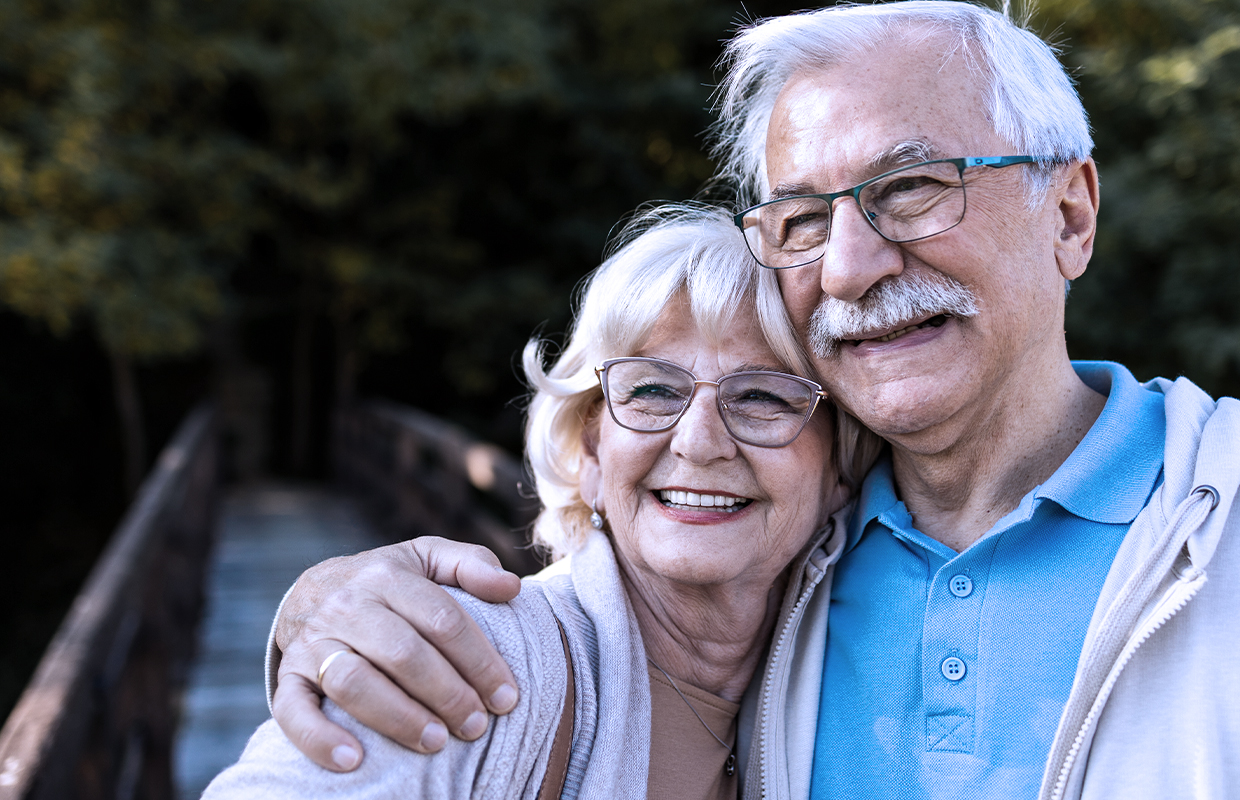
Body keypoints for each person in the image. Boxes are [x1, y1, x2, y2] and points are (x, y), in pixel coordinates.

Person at [268, 3, 1240, 799]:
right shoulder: (772, 558)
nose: (851, 265)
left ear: (1067, 214)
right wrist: (324, 609)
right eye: (803, 218)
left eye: (909, 186)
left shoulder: (1216, 522)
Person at [204, 206, 878, 799]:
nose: (700, 442)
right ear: (589, 452)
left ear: (840, 466)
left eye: (761, 396)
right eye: (651, 391)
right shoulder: (473, 660)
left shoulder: (843, 676)